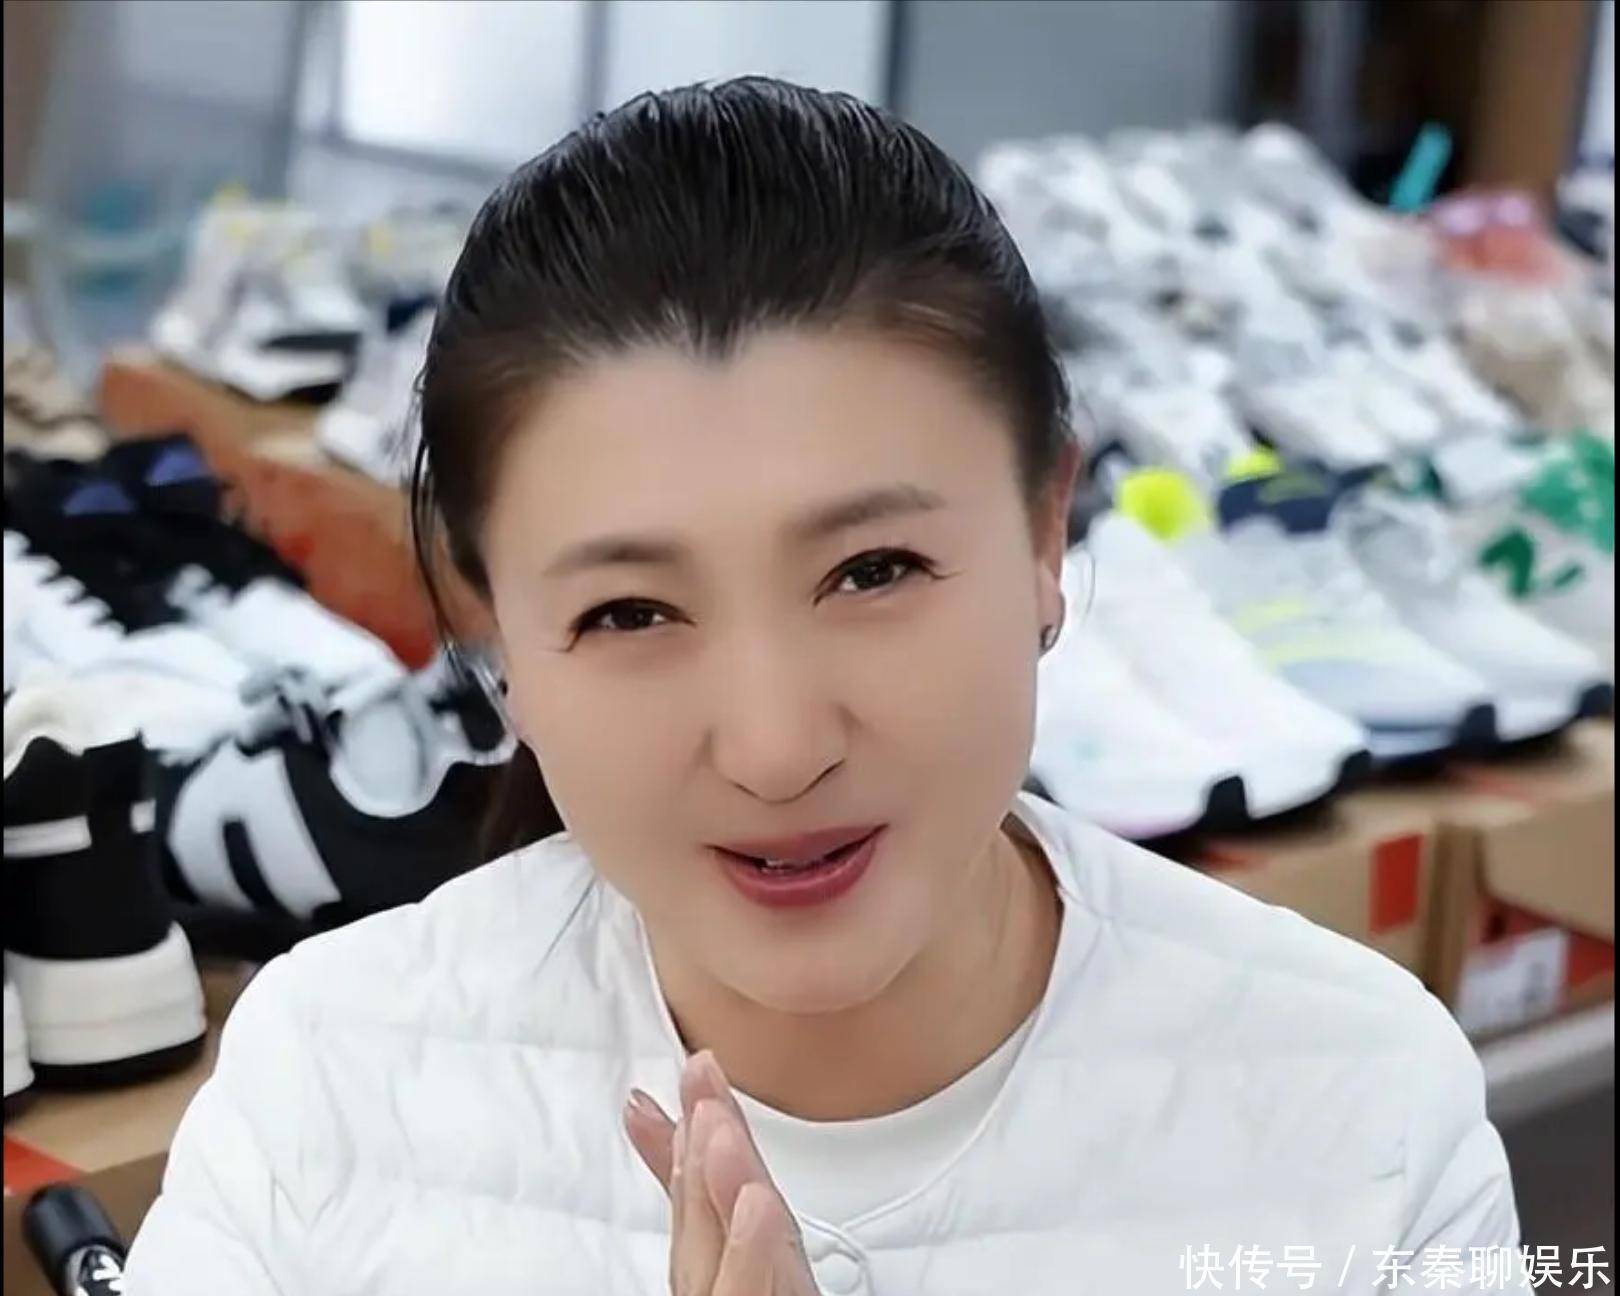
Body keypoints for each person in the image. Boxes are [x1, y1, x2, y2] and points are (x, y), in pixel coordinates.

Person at [125, 79, 1530, 1294]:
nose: (777, 747)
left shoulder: (1357, 1110)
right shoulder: (330, 1088)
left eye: (873, 572)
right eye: (629, 611)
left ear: (1048, 535)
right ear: (501, 638)